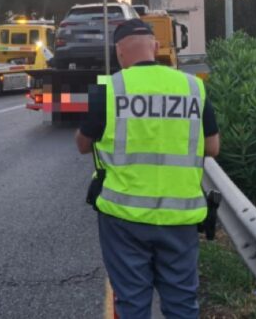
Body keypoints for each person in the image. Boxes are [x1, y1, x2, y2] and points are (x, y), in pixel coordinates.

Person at [74, 19, 220, 319]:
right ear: (155, 47)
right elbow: (213, 148)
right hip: (180, 216)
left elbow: (82, 144)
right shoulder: (194, 87)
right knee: (181, 302)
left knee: (132, 302)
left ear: (119, 52)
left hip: (123, 217)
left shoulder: (109, 89)